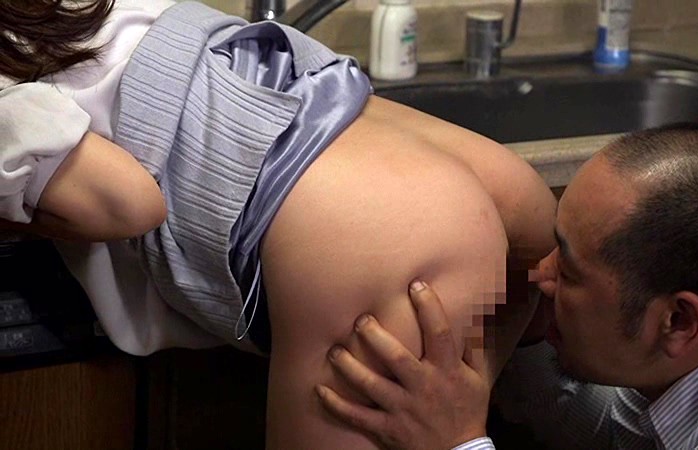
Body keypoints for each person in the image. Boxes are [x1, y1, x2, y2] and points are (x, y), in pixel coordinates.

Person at [0, 0, 557, 448]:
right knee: (471, 408)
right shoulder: (78, 12)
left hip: (371, 235)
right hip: (495, 186)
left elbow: (130, 204)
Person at [316, 123, 698, 449]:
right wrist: (523, 338)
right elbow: (617, 432)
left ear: (677, 321)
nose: (539, 276)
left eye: (567, 271)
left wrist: (456, 443)